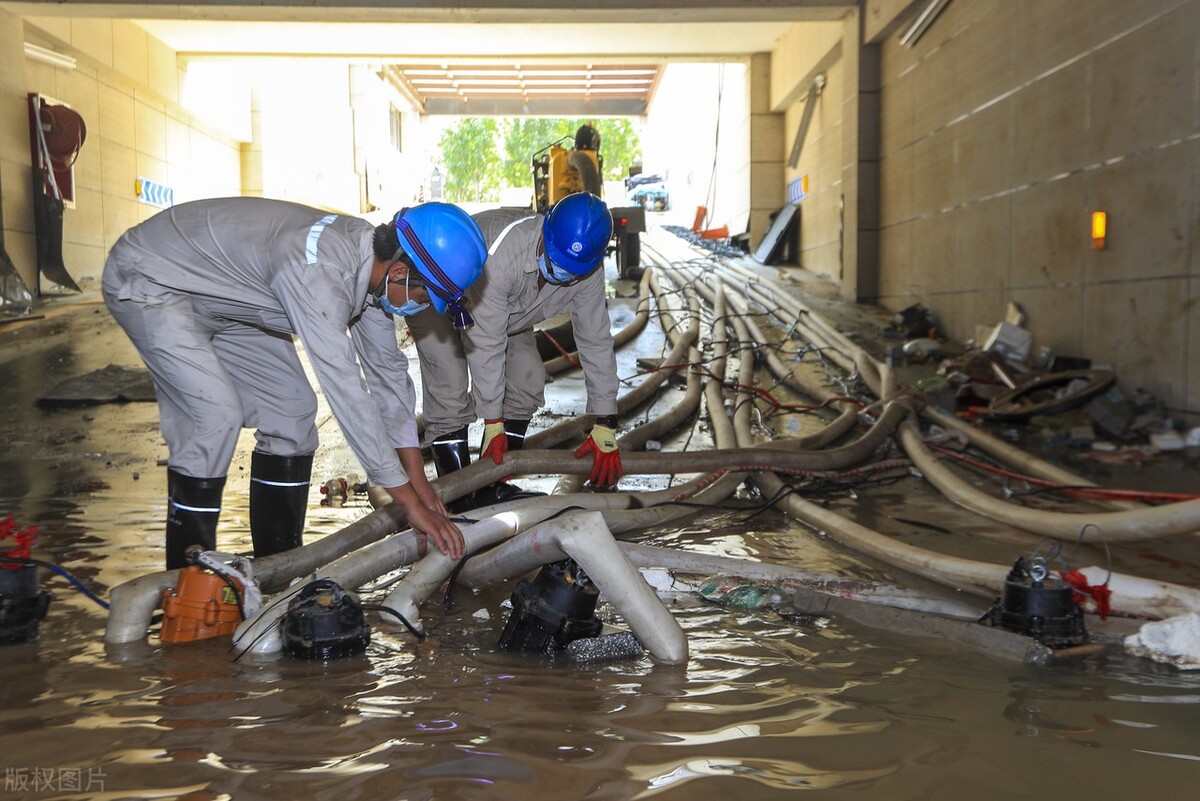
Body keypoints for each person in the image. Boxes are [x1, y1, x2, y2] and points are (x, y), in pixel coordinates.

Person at [102, 197, 486, 569]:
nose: (418, 307)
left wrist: (421, 487)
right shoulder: (320, 270)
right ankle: (184, 588)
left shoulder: (375, 276)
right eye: (423, 296)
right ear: (402, 272)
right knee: (214, 417)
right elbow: (348, 394)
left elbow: (388, 378)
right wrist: (409, 505)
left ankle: (277, 570)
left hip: (230, 299)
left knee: (292, 412)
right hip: (154, 279)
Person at [405, 192, 621, 506]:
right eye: (557, 259)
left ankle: (492, 484)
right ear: (544, 232)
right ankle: (457, 497)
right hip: (440, 297)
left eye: (572, 270)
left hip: (510, 313)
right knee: (450, 389)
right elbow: (486, 343)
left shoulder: (587, 272)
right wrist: (494, 421)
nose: (562, 273)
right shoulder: (503, 255)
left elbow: (595, 338)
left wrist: (606, 422)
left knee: (527, 378)